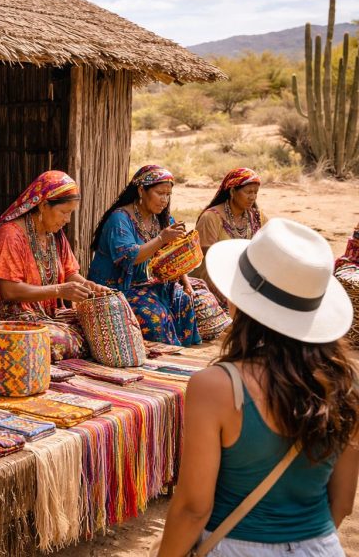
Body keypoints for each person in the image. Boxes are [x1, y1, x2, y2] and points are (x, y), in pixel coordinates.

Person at [157, 218, 359, 556]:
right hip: (320, 546)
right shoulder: (348, 384)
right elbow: (342, 503)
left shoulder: (217, 386)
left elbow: (193, 508)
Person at [0, 171, 108, 361]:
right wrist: (59, 290)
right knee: (56, 341)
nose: (67, 219)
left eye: (70, 213)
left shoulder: (55, 235)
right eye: (64, 212)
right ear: (44, 205)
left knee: (101, 327)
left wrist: (88, 286)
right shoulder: (10, 236)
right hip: (10, 317)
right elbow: (10, 291)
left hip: (47, 314)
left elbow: (70, 273)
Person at [88, 165, 201, 346]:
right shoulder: (120, 219)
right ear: (141, 190)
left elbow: (175, 253)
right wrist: (161, 238)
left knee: (186, 301)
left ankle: (181, 348)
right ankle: (165, 352)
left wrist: (185, 282)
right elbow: (129, 257)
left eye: (168, 195)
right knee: (156, 317)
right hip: (118, 289)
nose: (164, 200)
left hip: (151, 284)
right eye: (159, 193)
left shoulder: (163, 219)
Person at [193, 167, 268, 305]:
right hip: (214, 277)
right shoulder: (211, 217)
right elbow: (206, 256)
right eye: (248, 192)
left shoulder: (258, 217)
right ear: (233, 191)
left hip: (246, 276)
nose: (252, 197)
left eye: (255, 193)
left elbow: (268, 247)